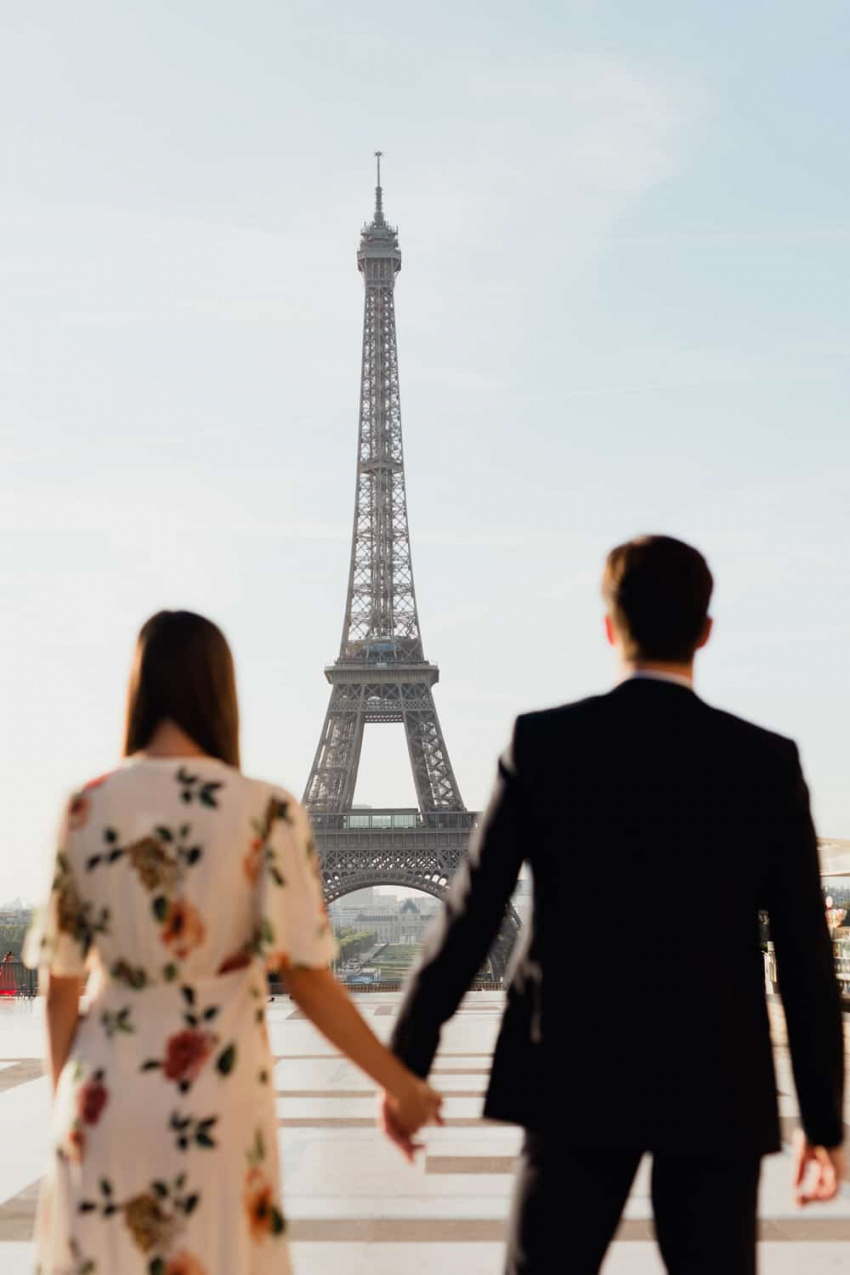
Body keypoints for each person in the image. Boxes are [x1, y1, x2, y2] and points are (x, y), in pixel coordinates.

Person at [382, 535, 845, 1274]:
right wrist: (824, 1120)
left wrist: (407, 1063)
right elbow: (803, 955)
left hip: (571, 1069)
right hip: (714, 1077)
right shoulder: (765, 762)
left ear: (608, 626)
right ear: (705, 630)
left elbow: (469, 916)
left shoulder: (543, 745)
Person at [24, 610, 441, 1275]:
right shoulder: (266, 811)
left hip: (103, 1104)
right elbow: (307, 980)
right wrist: (400, 1084)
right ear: (221, 691)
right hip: (215, 1107)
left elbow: (60, 989)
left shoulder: (84, 808)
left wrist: (61, 1108)